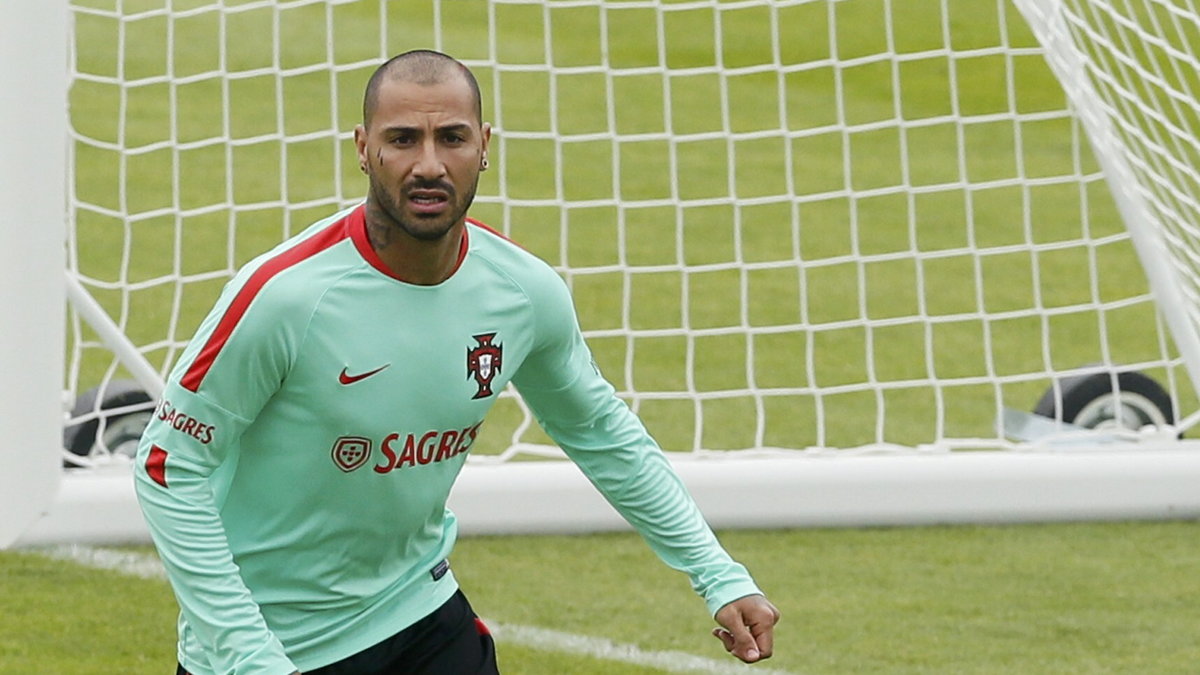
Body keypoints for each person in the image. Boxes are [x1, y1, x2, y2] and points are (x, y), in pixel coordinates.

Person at [134, 49, 779, 675]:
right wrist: (249, 656)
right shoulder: (286, 297)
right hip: (272, 644)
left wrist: (719, 573)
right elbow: (167, 468)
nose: (429, 164)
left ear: (484, 145)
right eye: (404, 139)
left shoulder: (522, 292)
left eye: (452, 138)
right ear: (363, 148)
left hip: (420, 613)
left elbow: (603, 432)